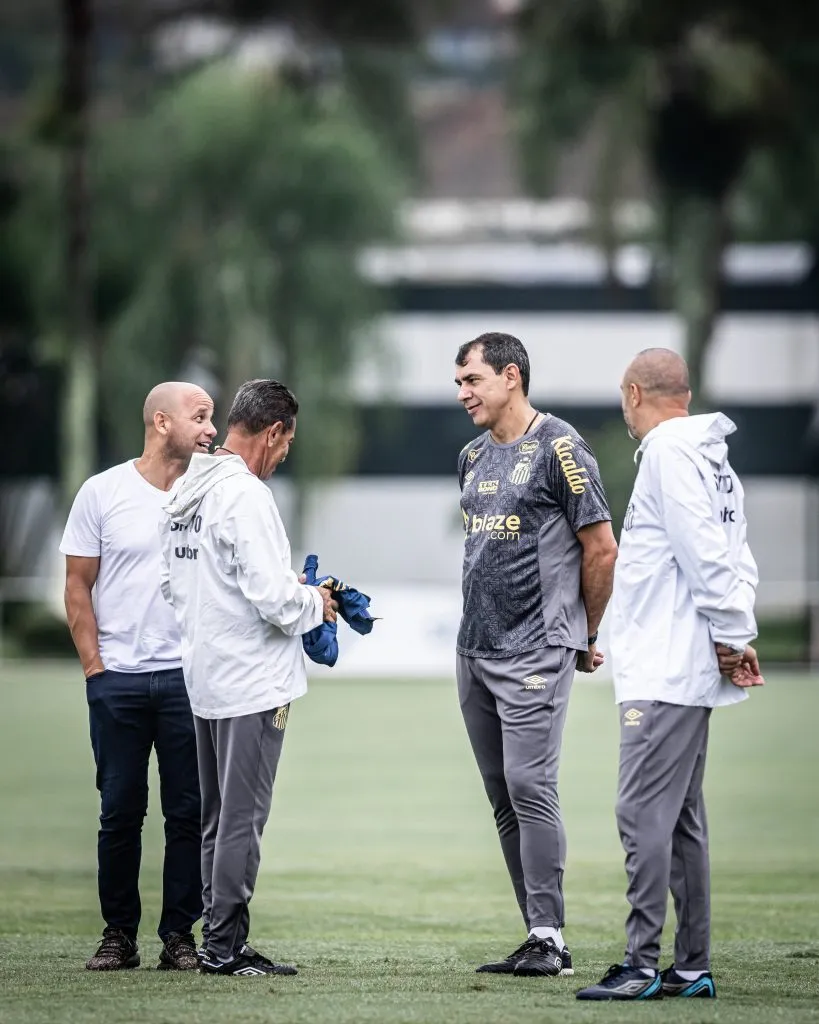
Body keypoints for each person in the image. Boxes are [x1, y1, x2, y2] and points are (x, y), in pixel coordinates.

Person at [576, 348, 763, 1002]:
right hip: (684, 663)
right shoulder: (714, 461)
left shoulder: (666, 453)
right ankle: (690, 967)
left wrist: (732, 635)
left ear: (634, 393)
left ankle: (638, 964)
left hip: (662, 667)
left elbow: (707, 557)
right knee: (681, 820)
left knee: (639, 813)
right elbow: (737, 557)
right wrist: (732, 635)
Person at [159, 378, 338, 978]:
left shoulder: (188, 487)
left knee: (217, 817)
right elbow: (273, 600)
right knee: (242, 819)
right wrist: (317, 603)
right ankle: (225, 946)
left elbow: (173, 587)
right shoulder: (247, 495)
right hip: (253, 684)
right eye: (287, 443)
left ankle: (217, 935)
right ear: (274, 432)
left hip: (205, 675)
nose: (284, 455)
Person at [454, 333, 618, 978]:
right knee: (502, 794)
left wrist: (585, 633)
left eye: (473, 380)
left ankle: (550, 937)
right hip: (474, 648)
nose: (464, 393)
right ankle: (536, 933)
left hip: (536, 645)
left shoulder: (560, 446)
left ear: (511, 377)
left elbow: (600, 547)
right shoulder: (469, 456)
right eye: (460, 383)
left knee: (530, 785)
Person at [60, 382, 217, 971]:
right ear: (160, 422)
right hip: (118, 682)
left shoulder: (213, 493)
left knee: (188, 814)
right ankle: (117, 935)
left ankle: (180, 937)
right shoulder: (103, 492)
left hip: (187, 681)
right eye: (200, 417)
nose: (209, 429)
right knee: (119, 813)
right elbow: (77, 586)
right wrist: (95, 671)